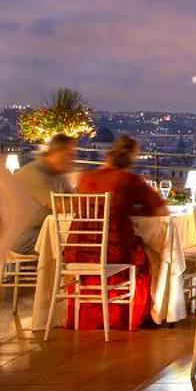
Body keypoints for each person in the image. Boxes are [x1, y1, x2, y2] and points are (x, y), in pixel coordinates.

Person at [68, 135, 158, 331]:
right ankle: (133, 315)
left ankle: (81, 313)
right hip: (114, 251)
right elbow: (157, 207)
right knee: (147, 255)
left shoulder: (85, 178)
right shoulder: (129, 179)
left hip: (78, 252)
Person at [12, 133, 77, 252]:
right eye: (70, 154)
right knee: (76, 245)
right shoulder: (34, 174)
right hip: (24, 238)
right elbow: (61, 206)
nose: (72, 159)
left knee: (79, 242)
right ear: (58, 153)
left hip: (43, 231)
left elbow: (72, 201)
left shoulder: (58, 175)